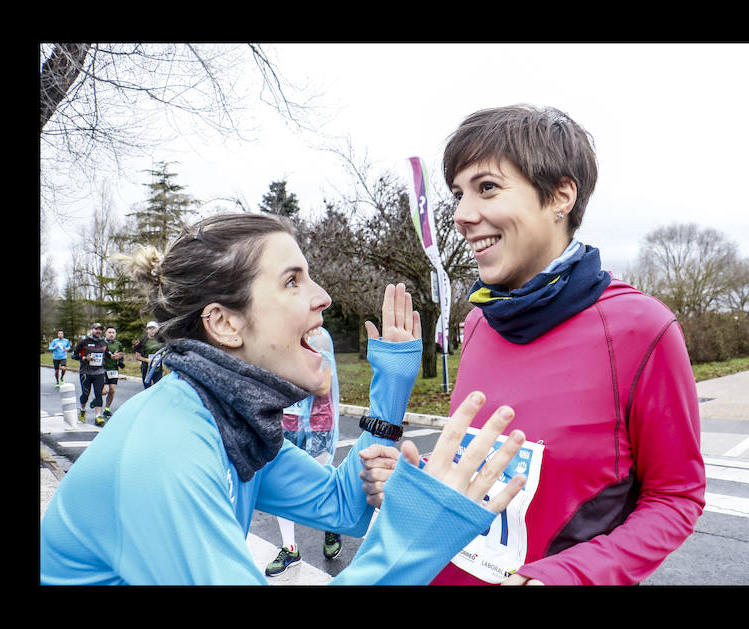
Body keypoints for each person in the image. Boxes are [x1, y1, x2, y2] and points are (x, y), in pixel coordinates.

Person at [40, 212, 527, 585]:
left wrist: (391, 391)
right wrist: (422, 528)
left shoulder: (227, 418)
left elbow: (340, 506)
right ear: (226, 324)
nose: (324, 297)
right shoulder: (167, 452)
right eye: (292, 280)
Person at [417, 104, 706, 585]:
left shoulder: (641, 328)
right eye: (457, 195)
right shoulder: (478, 324)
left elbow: (676, 498)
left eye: (487, 188)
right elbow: (486, 466)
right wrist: (415, 477)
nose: (463, 216)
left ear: (560, 196)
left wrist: (567, 575)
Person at [266, 326, 343, 577]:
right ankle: (290, 549)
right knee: (281, 485)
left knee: (320, 479)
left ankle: (331, 525)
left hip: (319, 421)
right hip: (287, 420)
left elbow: (323, 386)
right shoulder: (279, 336)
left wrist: (285, 378)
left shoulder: (318, 337)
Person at [72, 323, 108, 423]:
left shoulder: (103, 342)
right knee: (85, 394)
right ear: (91, 330)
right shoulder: (84, 342)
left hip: (99, 372)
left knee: (98, 395)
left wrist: (114, 357)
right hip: (86, 372)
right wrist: (84, 358)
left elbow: (107, 354)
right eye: (96, 329)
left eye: (100, 330)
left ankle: (98, 416)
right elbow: (73, 355)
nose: (98, 331)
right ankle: (82, 410)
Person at [98, 326, 126, 426]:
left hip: (113, 369)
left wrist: (121, 362)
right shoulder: (102, 343)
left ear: (115, 334)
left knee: (112, 390)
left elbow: (121, 354)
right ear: (105, 334)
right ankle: (96, 400)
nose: (111, 334)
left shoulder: (118, 344)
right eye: (109, 332)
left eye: (113, 332)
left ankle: (106, 409)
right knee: (104, 391)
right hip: (103, 369)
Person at [133, 321, 164, 388]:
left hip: (158, 369)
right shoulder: (143, 341)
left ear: (157, 329)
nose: (152, 330)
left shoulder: (161, 340)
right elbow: (137, 357)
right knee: (148, 389)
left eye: (154, 328)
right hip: (146, 369)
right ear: (147, 330)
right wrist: (147, 360)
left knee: (158, 389)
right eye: (150, 328)